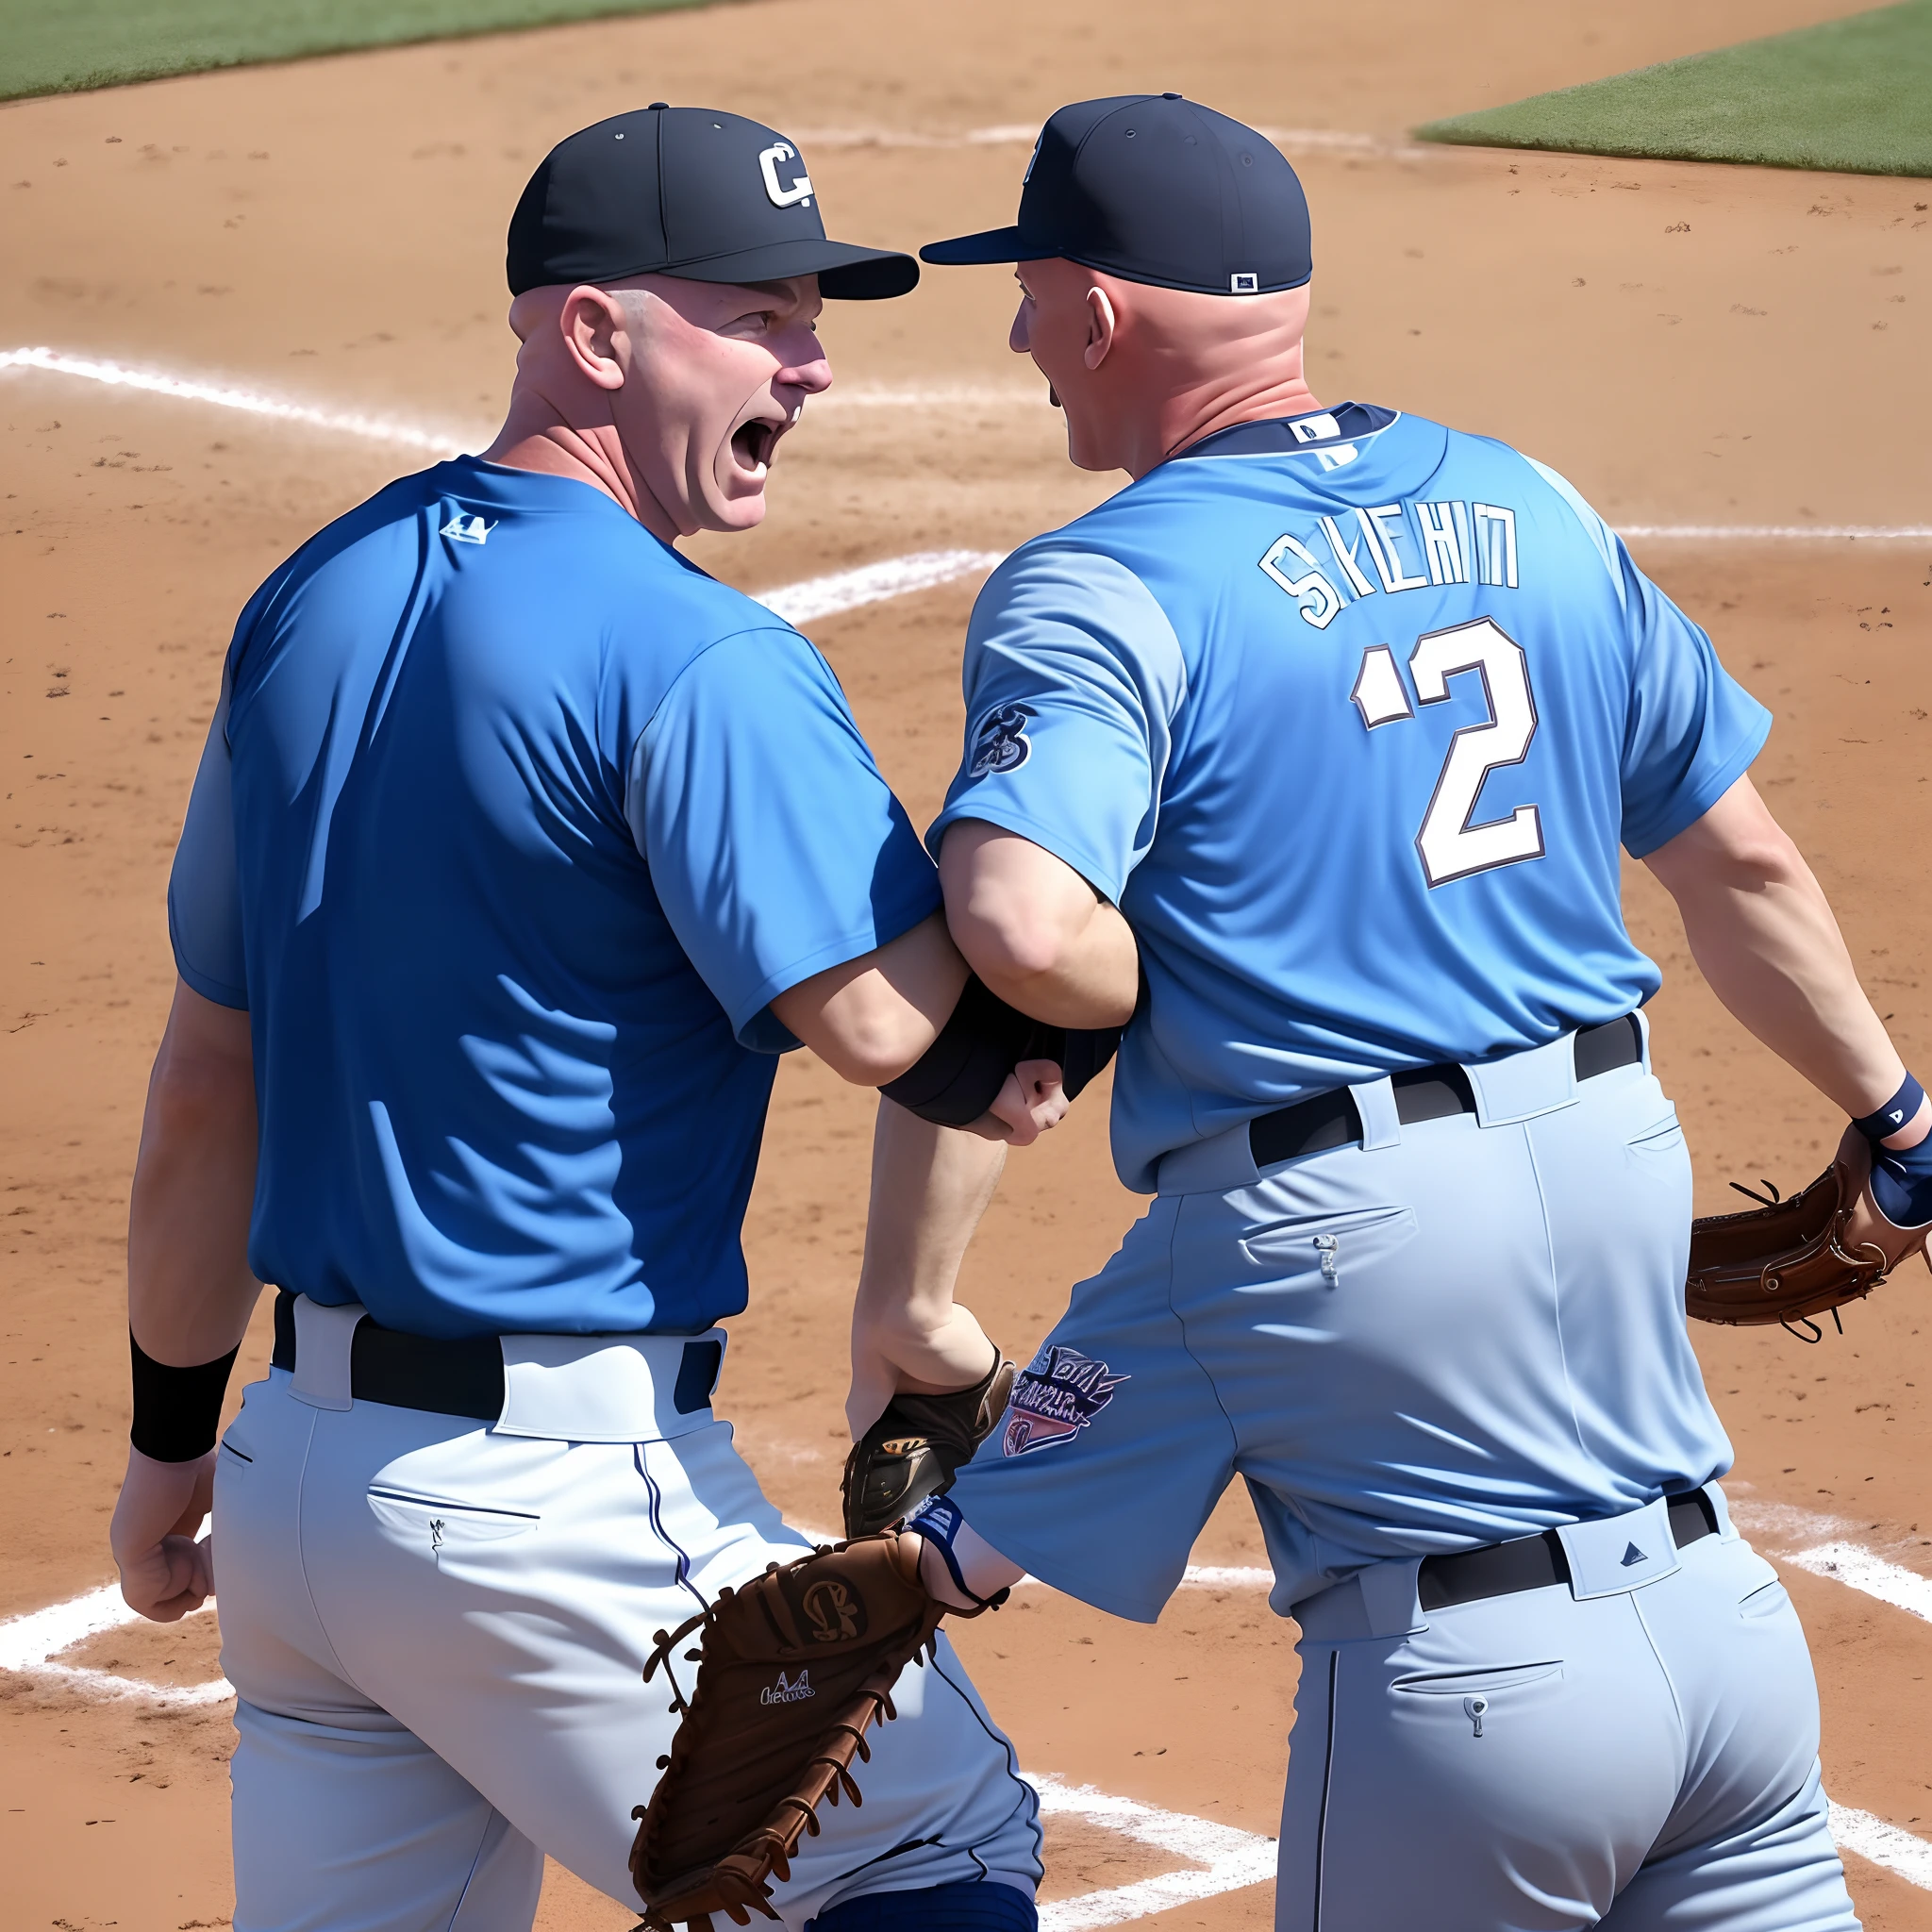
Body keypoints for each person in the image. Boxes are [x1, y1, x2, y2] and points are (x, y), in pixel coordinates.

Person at [876, 92, 1932, 1932]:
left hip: (1465, 1713)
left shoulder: (1098, 588)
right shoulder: (1530, 502)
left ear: (1106, 307)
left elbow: (1020, 920)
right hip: (1724, 1629)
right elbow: (1741, 869)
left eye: (1032, 290)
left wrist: (1125, 974)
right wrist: (1897, 1123)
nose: (1020, 334)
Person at [107, 105, 1068, 1932]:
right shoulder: (698, 654)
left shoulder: (306, 598)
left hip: (298, 1503)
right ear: (598, 333)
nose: (814, 360)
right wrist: (1091, 935)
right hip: (549, 1504)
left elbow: (203, 1084)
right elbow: (892, 1023)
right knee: (925, 1847)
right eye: (762, 316)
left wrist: (171, 1445)